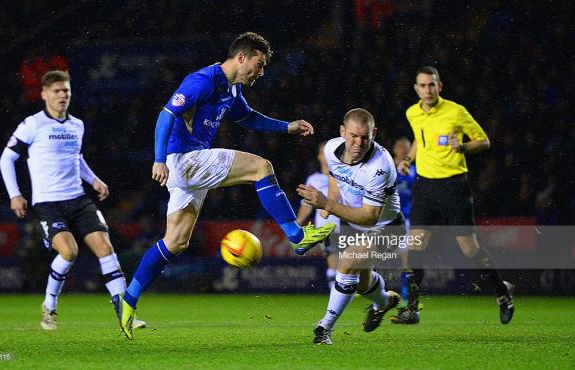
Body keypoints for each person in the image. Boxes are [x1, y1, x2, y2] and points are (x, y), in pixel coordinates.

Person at [118, 32, 336, 339]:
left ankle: (128, 301)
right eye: (259, 65)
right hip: (184, 159)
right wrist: (158, 159)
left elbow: (248, 118)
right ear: (242, 57)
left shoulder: (231, 89)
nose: (261, 73)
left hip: (188, 169)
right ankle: (297, 236)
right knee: (262, 167)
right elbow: (166, 114)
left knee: (176, 242)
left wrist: (286, 126)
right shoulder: (203, 80)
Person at [0, 70, 145, 330]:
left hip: (77, 198)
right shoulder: (32, 124)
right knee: (69, 251)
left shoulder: (77, 124)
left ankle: (125, 314)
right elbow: (6, 158)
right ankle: (50, 305)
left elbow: (76, 158)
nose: (62, 95)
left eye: (65, 90)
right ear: (44, 94)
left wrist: (94, 180)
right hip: (48, 203)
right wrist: (15, 194)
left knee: (106, 248)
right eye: (56, 91)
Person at [394, 66, 514, 324]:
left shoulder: (456, 111)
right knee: (415, 247)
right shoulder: (412, 112)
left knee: (470, 249)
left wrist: (462, 146)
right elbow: (419, 139)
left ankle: (502, 293)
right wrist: (407, 159)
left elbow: (484, 141)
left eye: (432, 85)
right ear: (416, 88)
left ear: (440, 86)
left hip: (453, 186)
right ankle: (412, 309)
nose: (427, 90)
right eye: (423, 85)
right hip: (425, 187)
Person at [297, 108, 402, 345]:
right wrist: (325, 213)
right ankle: (384, 302)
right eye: (354, 136)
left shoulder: (380, 166)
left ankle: (324, 327)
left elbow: (369, 217)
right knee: (362, 283)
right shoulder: (331, 150)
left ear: (374, 133)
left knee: (346, 265)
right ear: (342, 132)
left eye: (365, 137)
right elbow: (336, 180)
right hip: (352, 224)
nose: (359, 142)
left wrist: (326, 204)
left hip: (386, 228)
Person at [295, 141, 341, 291]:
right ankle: (335, 297)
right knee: (333, 263)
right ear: (319, 157)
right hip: (326, 229)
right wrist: (294, 227)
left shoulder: (344, 177)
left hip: (349, 226)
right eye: (323, 153)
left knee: (352, 266)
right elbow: (306, 208)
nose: (327, 157)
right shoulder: (313, 180)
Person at [391, 137, 416, 314]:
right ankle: (368, 287)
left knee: (406, 257)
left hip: (405, 219)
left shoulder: (414, 170)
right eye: (401, 146)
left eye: (407, 147)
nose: (404, 149)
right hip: (386, 218)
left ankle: (406, 292)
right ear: (394, 149)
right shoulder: (387, 167)